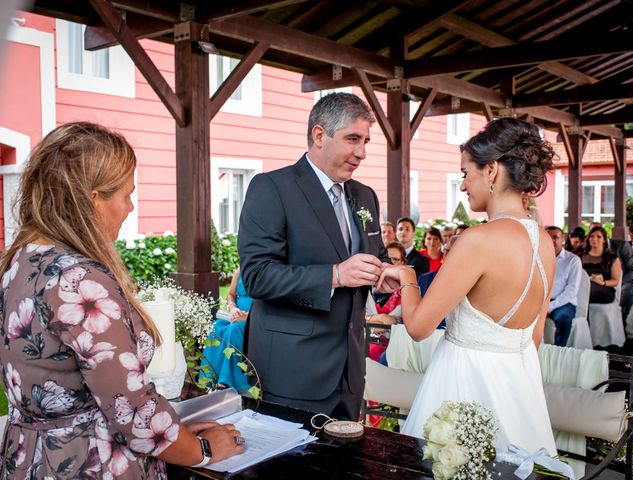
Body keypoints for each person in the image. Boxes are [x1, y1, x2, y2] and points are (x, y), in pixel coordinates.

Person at [0, 123, 243, 479]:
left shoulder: (20, 261)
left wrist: (179, 432)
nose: (129, 208)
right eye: (126, 195)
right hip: (90, 464)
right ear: (93, 198)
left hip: (30, 459)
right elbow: (130, 412)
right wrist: (204, 451)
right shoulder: (80, 281)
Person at [377, 117, 558, 455]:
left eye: (465, 173)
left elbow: (417, 327)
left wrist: (407, 276)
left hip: (462, 387)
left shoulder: (477, 240)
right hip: (520, 390)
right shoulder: (544, 241)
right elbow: (534, 337)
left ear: (491, 171)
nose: (463, 186)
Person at [238, 93, 390, 420]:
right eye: (353, 139)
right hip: (291, 371)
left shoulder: (365, 196)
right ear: (319, 135)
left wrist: (384, 276)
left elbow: (378, 255)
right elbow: (257, 277)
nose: (362, 152)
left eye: (365, 141)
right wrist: (335, 275)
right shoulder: (272, 188)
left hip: (349, 372)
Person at [201, 269, 253, 391]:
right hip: (236, 315)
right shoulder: (239, 271)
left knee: (233, 330)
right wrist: (233, 308)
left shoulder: (265, 272)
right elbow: (231, 294)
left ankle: (226, 381)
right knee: (216, 327)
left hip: (255, 318)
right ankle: (209, 378)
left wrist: (248, 316)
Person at [546, 226, 582, 347]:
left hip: (564, 303)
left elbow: (571, 290)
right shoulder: (540, 259)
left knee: (563, 319)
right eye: (548, 237)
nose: (551, 240)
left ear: (563, 240)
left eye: (555, 237)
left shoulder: (573, 260)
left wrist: (550, 307)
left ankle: (559, 354)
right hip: (542, 301)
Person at [581, 226, 622, 304]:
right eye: (591, 236)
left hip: (605, 290)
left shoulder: (613, 259)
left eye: (599, 237)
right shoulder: (580, 257)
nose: (594, 239)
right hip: (584, 288)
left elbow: (615, 281)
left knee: (587, 289)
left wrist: (602, 282)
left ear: (604, 240)